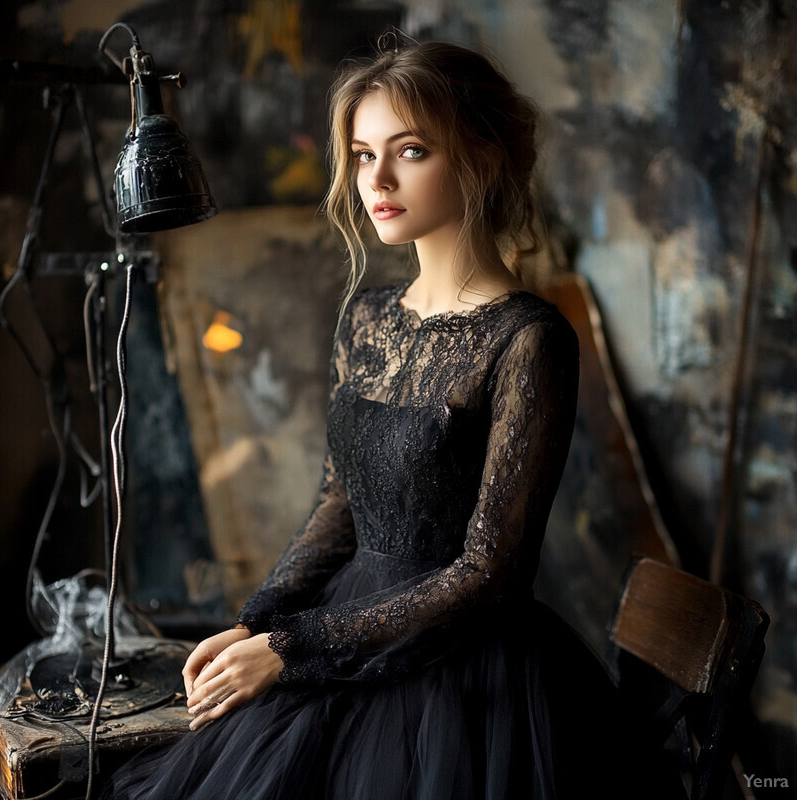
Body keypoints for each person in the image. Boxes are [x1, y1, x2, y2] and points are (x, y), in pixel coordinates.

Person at [100, 37, 684, 800]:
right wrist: (258, 622)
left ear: (478, 156)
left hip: (465, 675)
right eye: (361, 152)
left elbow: (487, 575)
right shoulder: (368, 318)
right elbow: (336, 508)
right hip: (343, 634)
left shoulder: (530, 339)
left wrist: (292, 647)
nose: (375, 179)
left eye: (408, 152)